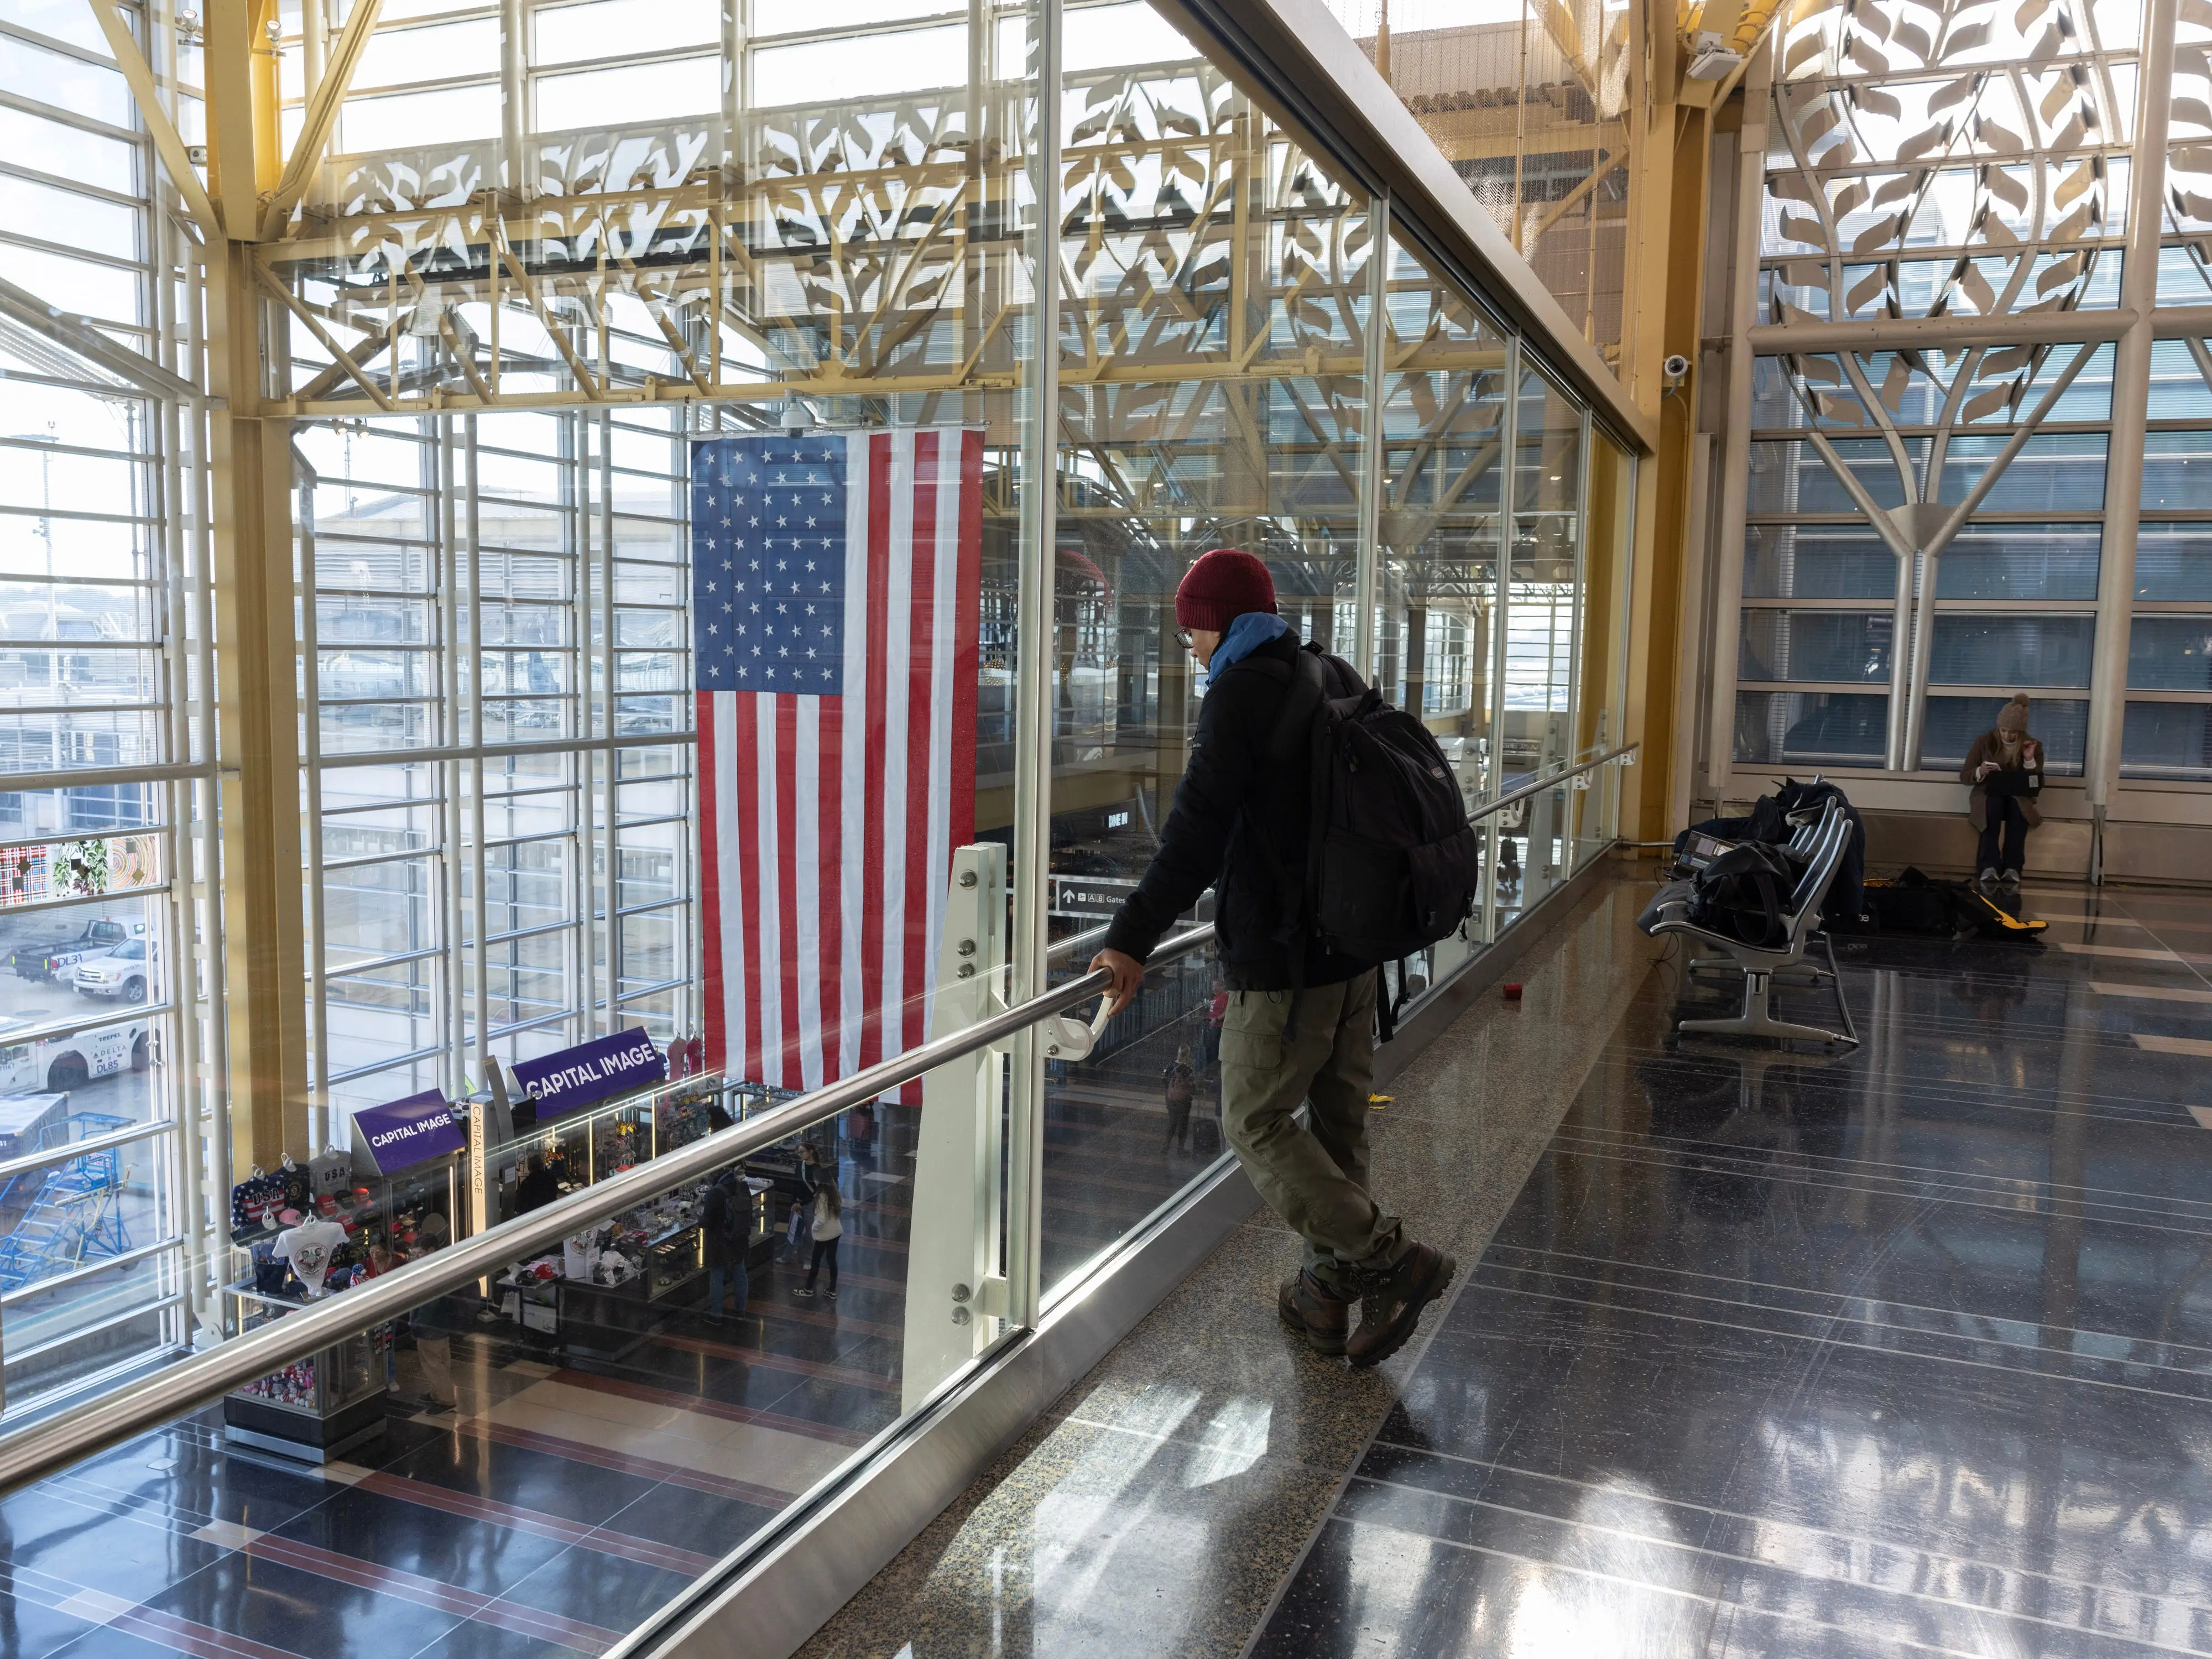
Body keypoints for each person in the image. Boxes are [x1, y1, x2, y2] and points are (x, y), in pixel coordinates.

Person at [1090, 547, 1455, 1368]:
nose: (1189, 646)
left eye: (1191, 630)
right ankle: (1324, 1298)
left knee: (1252, 1120)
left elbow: (1194, 837)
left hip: (1285, 963)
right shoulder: (1326, 673)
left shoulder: (1239, 698)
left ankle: (1394, 1259)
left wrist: (1131, 937)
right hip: (1354, 953)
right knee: (1335, 1129)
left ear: (1212, 623)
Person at [1961, 693, 2043, 890]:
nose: (2007, 735)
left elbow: (2035, 783)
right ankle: (1988, 865)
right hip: (1989, 794)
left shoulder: (2033, 746)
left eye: (2013, 732)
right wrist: (1981, 771)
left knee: (2018, 810)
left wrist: (2029, 760)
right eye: (2004, 730)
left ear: (2021, 731)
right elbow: (1965, 776)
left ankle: (2013, 867)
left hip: (2017, 796)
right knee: (1992, 807)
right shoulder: (1984, 741)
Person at [398, 1212, 457, 1412]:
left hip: (431, 1328)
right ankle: (437, 1393)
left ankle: (446, 1400)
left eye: (419, 1254)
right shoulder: (442, 1265)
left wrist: (416, 1325)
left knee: (434, 1365)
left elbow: (429, 1304)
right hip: (443, 1325)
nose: (415, 1257)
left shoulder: (431, 1273)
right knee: (441, 1362)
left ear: (431, 1250)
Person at [700, 1168, 750, 1324]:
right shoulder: (743, 1186)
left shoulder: (714, 1194)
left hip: (719, 1242)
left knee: (717, 1276)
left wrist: (698, 1219)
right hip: (740, 1238)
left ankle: (716, 1315)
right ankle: (740, 1311)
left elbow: (706, 1221)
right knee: (740, 1273)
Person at [797, 1180, 841, 1300]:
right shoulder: (834, 1194)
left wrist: (812, 1229)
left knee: (815, 1261)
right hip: (836, 1231)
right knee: (832, 1261)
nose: (815, 1181)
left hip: (824, 1234)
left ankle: (808, 1289)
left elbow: (821, 1220)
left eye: (816, 1179)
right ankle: (832, 1290)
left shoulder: (821, 1196)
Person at [1162, 1045, 1196, 1152]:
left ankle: (1166, 1146)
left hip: (1171, 1100)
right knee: (1183, 1124)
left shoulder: (1170, 1066)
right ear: (1187, 1056)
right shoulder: (1188, 1070)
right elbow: (1192, 1088)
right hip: (1184, 1102)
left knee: (1172, 1123)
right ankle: (1180, 1149)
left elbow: (1163, 1080)